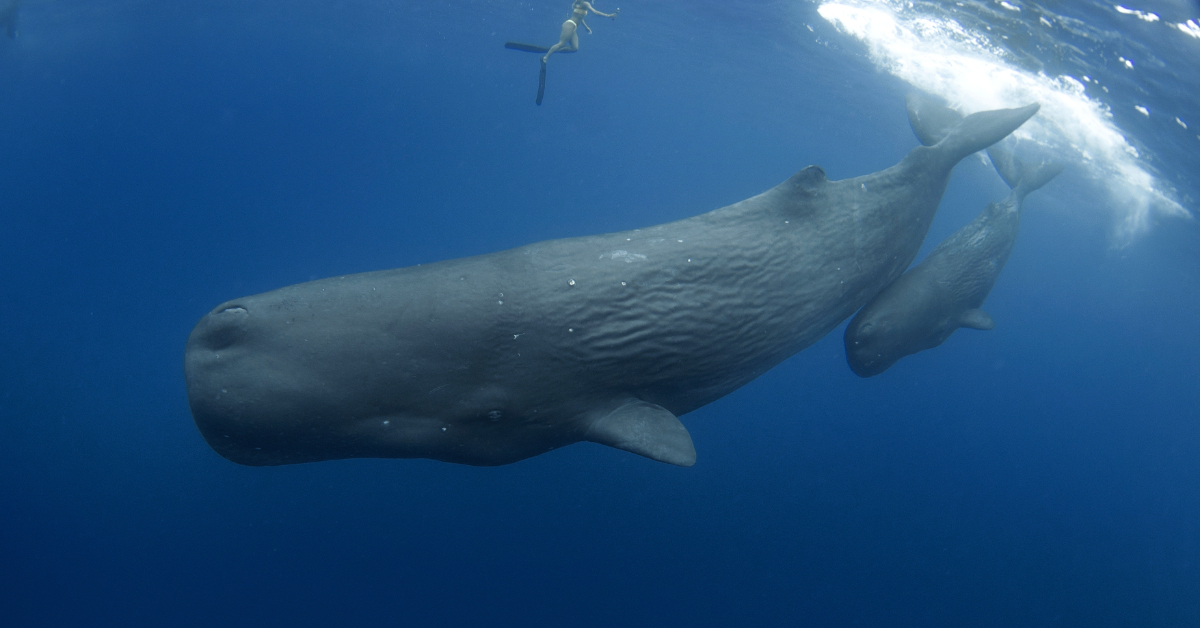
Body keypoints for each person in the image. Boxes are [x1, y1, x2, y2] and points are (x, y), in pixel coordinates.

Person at [542, 1, 618, 64]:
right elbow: (595, 12)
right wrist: (608, 15)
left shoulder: (580, 2)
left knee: (575, 48)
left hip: (574, 27)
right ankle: (546, 57)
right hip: (569, 25)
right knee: (562, 43)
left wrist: (586, 27)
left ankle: (554, 50)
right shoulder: (585, 3)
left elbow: (580, 17)